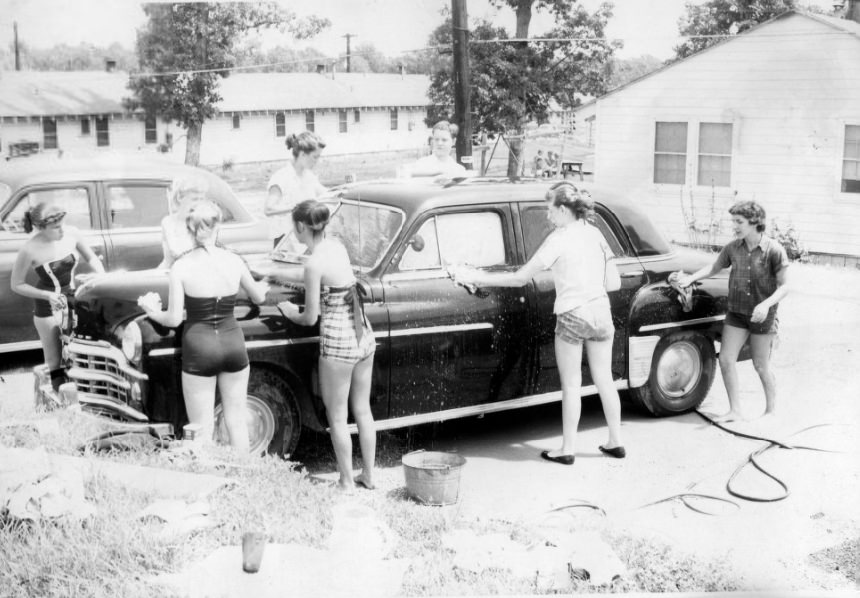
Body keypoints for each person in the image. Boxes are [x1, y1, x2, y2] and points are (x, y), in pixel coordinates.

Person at [452, 183, 625, 465]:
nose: (548, 216)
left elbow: (521, 277)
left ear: (563, 209)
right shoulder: (596, 234)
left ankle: (567, 448)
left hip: (573, 314)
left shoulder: (559, 238)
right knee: (604, 379)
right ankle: (616, 441)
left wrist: (476, 277)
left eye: (550, 210)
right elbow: (613, 283)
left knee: (571, 384)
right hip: (601, 312)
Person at [138, 200, 269, 450]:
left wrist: (152, 312)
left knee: (201, 429)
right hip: (232, 342)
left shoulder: (181, 266)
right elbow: (259, 297)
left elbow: (174, 319)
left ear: (189, 230)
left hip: (199, 346)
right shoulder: (234, 260)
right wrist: (261, 288)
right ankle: (245, 478)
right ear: (217, 226)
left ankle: (210, 479)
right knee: (237, 420)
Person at [277, 199, 377, 491]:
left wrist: (287, 309)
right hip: (362, 333)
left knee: (337, 415)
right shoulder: (336, 248)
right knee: (362, 410)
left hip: (338, 340)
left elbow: (309, 318)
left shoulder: (313, 262)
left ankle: (346, 481)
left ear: (299, 227)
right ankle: (369, 476)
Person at [678, 200, 789, 421]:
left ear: (754, 222)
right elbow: (714, 267)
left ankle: (771, 411)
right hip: (737, 314)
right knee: (726, 359)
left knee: (760, 365)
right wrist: (690, 278)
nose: (734, 226)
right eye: (734, 221)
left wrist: (766, 305)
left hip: (762, 316)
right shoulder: (732, 248)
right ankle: (735, 411)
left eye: (739, 222)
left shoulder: (773, 250)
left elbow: (785, 286)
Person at [11, 202, 105, 390]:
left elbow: (92, 258)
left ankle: (84, 396)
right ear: (40, 228)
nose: (61, 230)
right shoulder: (29, 249)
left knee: (78, 350)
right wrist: (46, 295)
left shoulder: (72, 233)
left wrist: (100, 276)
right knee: (54, 360)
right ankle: (59, 400)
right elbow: (16, 285)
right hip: (47, 307)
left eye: (62, 224)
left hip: (72, 299)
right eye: (55, 228)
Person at [264, 131, 327, 247]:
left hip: (306, 241)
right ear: (302, 154)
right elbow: (268, 209)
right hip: (285, 244)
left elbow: (327, 194)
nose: (317, 161)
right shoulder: (281, 177)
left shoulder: (309, 176)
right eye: (315, 157)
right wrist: (297, 208)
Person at [158, 176, 207, 269]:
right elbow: (171, 257)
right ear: (180, 197)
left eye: (201, 199)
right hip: (174, 274)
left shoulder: (204, 222)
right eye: (195, 199)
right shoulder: (168, 223)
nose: (199, 204)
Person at [401, 120, 470, 179]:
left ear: (453, 141)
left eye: (444, 140)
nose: (439, 143)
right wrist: (437, 172)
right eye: (436, 139)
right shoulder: (422, 163)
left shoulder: (458, 169)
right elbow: (404, 173)